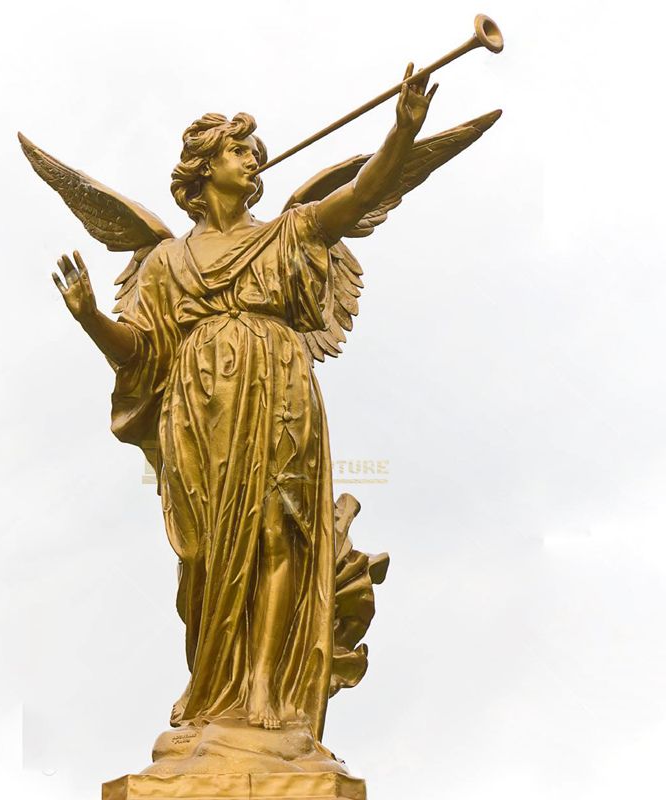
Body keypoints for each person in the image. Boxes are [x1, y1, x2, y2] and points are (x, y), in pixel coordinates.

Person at [51, 65, 436, 739]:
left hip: (277, 387)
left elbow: (362, 193)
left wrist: (401, 133)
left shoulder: (287, 231)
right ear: (204, 168)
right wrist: (89, 317)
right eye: (237, 150)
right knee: (203, 552)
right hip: (199, 406)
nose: (251, 159)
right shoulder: (167, 262)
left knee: (277, 531)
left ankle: (263, 684)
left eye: (254, 152)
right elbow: (140, 352)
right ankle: (212, 682)